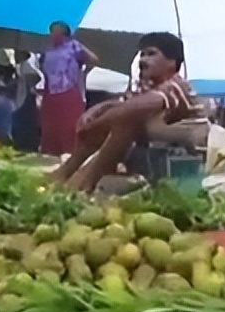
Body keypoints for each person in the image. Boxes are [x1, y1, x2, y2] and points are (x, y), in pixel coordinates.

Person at [51, 32, 208, 192]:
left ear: (171, 63)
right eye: (142, 54)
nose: (143, 60)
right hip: (156, 142)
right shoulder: (146, 87)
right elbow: (124, 103)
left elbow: (133, 108)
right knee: (117, 118)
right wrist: (98, 110)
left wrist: (96, 125)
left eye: (151, 54)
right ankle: (66, 174)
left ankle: (86, 183)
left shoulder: (176, 85)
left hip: (188, 144)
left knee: (127, 121)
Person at [38, 21, 98, 155]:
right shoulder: (48, 50)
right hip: (50, 92)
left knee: (69, 125)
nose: (54, 34)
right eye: (52, 31)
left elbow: (93, 59)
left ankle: (71, 154)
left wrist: (83, 72)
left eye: (56, 31)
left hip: (68, 91)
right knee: (50, 126)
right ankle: (51, 153)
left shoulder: (73, 46)